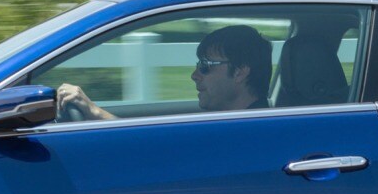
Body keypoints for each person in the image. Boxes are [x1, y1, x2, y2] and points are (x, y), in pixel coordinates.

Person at [57, 23, 272, 121]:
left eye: (206, 65)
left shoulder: (248, 131)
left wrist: (94, 111)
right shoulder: (228, 122)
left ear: (240, 73)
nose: (194, 75)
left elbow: (151, 153)